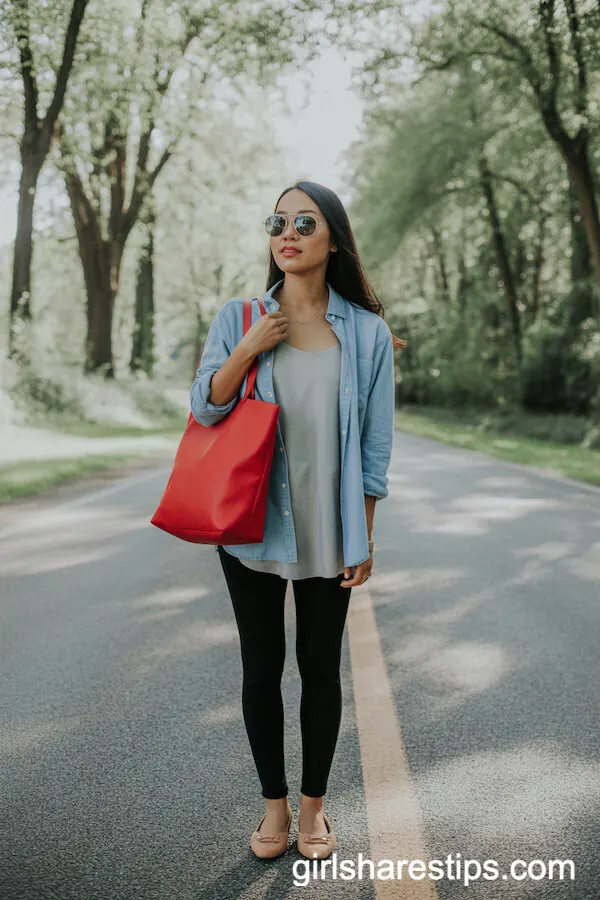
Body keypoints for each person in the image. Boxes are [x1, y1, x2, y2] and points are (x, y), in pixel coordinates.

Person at [190, 180, 405, 860]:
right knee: (261, 667)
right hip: (249, 526)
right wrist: (249, 346)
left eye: (305, 222)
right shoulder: (240, 314)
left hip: (327, 529)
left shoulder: (366, 333)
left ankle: (314, 813)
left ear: (333, 238)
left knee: (319, 667)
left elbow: (374, 444)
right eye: (277, 222)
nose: (287, 232)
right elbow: (206, 406)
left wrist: (363, 532)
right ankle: (274, 812)